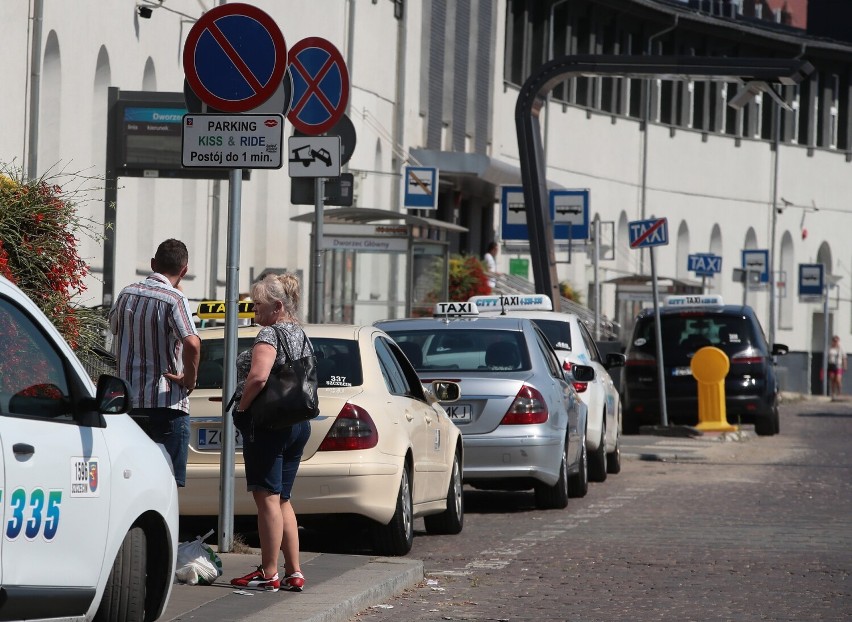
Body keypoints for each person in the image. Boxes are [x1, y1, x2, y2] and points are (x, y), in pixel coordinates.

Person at [230, 273, 312, 593]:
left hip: (268, 425)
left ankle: (268, 571)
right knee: (284, 500)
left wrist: (241, 409)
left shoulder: (269, 333)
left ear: (277, 306)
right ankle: (294, 571)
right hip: (297, 423)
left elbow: (258, 378)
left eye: (258, 305)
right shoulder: (300, 333)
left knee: (267, 500)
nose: (254, 311)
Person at [109, 239, 200, 487]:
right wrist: (189, 379)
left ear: (153, 264)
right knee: (166, 485)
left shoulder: (126, 293)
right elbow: (193, 344)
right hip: (167, 403)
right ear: (184, 270)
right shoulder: (175, 299)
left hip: (130, 404)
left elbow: (113, 328)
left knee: (132, 484)